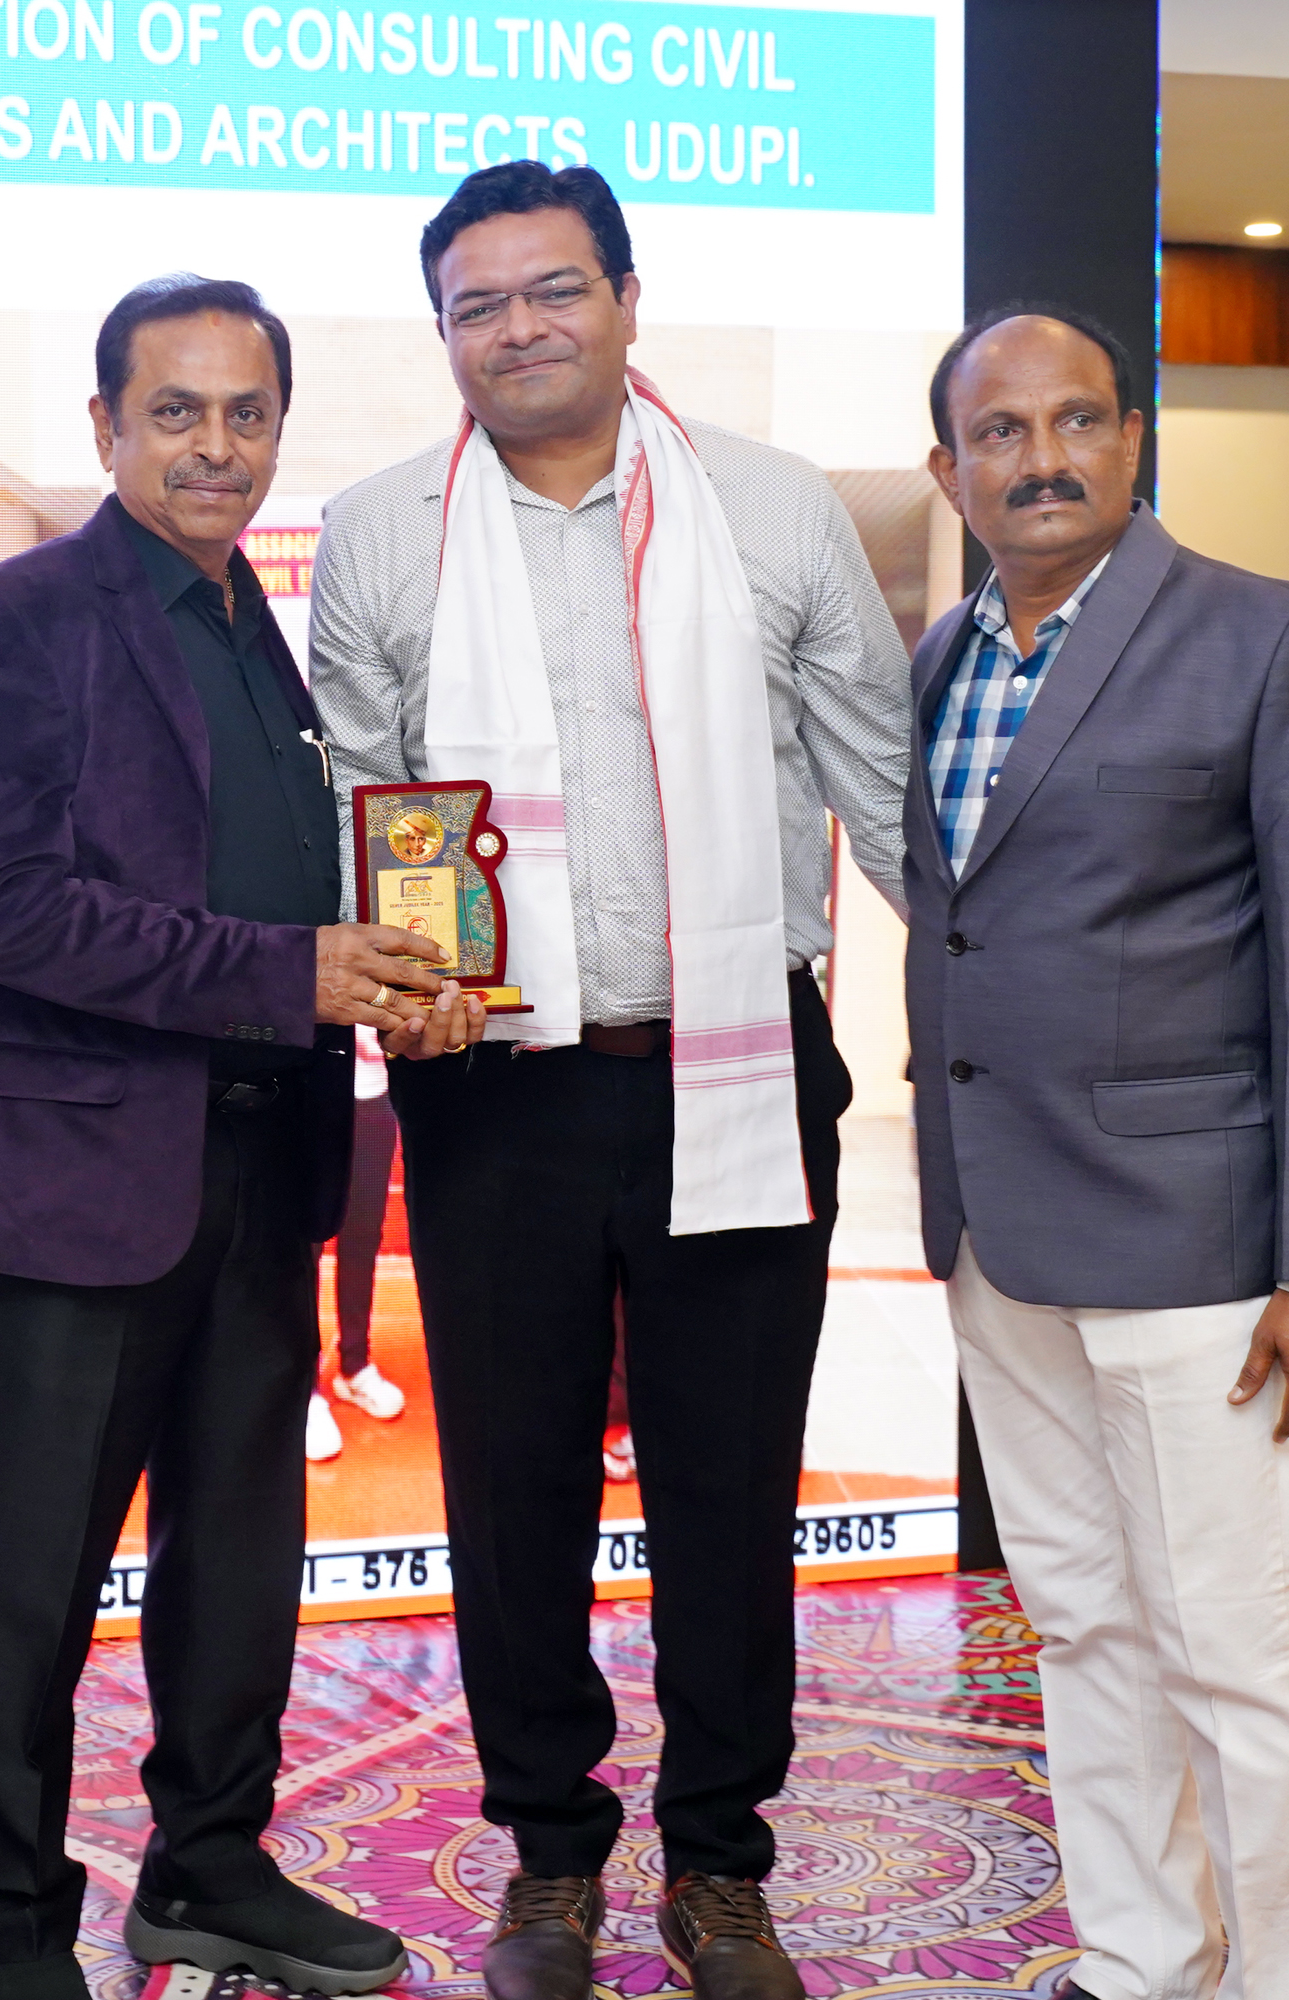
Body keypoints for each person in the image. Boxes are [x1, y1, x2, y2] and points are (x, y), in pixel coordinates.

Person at [309, 162, 910, 2000]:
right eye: (476, 305)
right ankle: (551, 1858)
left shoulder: (773, 507)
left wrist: (1030, 1001)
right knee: (513, 1496)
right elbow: (364, 801)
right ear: (442, 334)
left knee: (731, 1488)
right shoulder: (382, 532)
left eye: (553, 289)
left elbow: (884, 786)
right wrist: (399, 987)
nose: (518, 329)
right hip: (496, 1086)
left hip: (739, 1063)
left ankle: (721, 1865)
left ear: (629, 299)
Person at [0, 273, 474, 2000]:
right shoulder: (16, 618)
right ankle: (9, 1927)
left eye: (247, 413)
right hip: (78, 1179)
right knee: (29, 1582)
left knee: (238, 1562)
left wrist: (410, 973)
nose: (215, 446)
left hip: (264, 1159)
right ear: (106, 426)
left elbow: (304, 874)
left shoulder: (263, 634)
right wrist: (290, 971)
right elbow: (0, 905)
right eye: (176, 411)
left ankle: (209, 1865)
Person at [909, 303, 1289, 2000]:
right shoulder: (943, 659)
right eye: (1000, 432)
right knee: (1083, 1624)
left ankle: (1281, 1981)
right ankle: (1142, 1959)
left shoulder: (1275, 639)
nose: (1042, 458)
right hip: (1000, 1240)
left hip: (1198, 1250)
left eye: (1078, 421)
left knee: (1233, 1650)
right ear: (949, 471)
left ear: (1133, 439)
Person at [308, 1025, 409, 1462]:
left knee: (363, 1238)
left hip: (373, 1095)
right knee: (305, 1244)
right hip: (309, 1098)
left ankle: (354, 1363)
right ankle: (305, 1387)